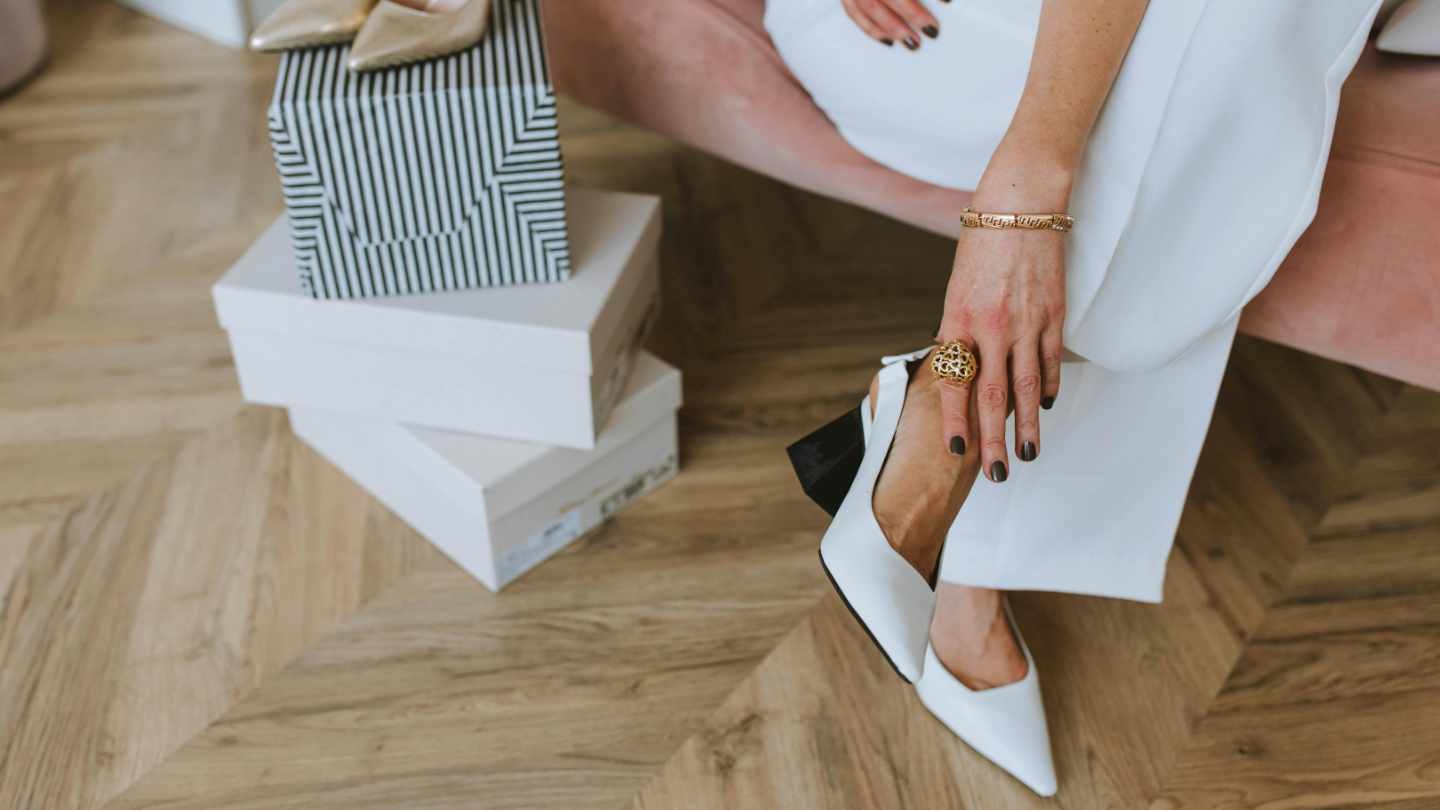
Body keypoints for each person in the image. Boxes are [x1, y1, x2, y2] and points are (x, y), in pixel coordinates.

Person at [542, 0, 1382, 795]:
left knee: (1237, 45)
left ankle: (946, 433)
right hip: (934, 26)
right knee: (1223, 95)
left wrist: (1025, 191)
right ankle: (957, 476)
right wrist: (1027, 185)